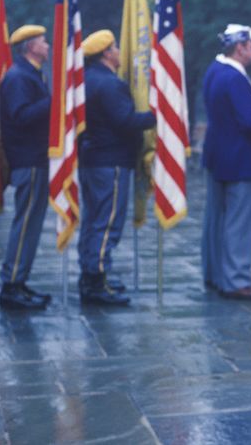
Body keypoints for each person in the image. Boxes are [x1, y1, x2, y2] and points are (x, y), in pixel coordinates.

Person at [77, 29, 155, 306]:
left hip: (94, 160)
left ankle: (90, 275)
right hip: (110, 161)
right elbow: (124, 120)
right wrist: (155, 116)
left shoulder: (87, 79)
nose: (120, 52)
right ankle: (96, 281)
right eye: (116, 48)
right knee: (107, 222)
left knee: (93, 220)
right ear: (106, 53)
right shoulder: (109, 84)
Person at [200, 24, 251, 301]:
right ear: (240, 48)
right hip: (242, 158)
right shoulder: (235, 78)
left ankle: (217, 274)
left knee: (217, 219)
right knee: (238, 224)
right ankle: (236, 280)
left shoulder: (214, 71)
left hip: (219, 155)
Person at [0, 25, 51, 310]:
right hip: (27, 159)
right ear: (30, 46)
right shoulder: (19, 77)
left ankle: (19, 280)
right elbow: (21, 116)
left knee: (32, 224)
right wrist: (55, 102)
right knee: (26, 222)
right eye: (43, 41)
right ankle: (11, 285)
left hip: (36, 157)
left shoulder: (30, 74)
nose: (48, 45)